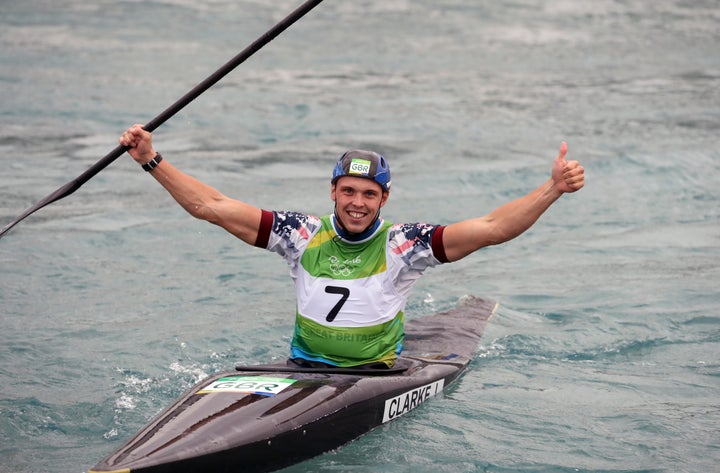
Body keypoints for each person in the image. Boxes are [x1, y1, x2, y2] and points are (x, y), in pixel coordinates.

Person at [119, 125, 584, 368]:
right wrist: (150, 160)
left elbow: (491, 227)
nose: (357, 203)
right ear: (333, 191)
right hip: (301, 367)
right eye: (348, 191)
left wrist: (552, 189)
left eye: (368, 194)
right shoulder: (299, 233)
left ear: (384, 198)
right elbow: (212, 206)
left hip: (374, 376)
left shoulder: (406, 244)